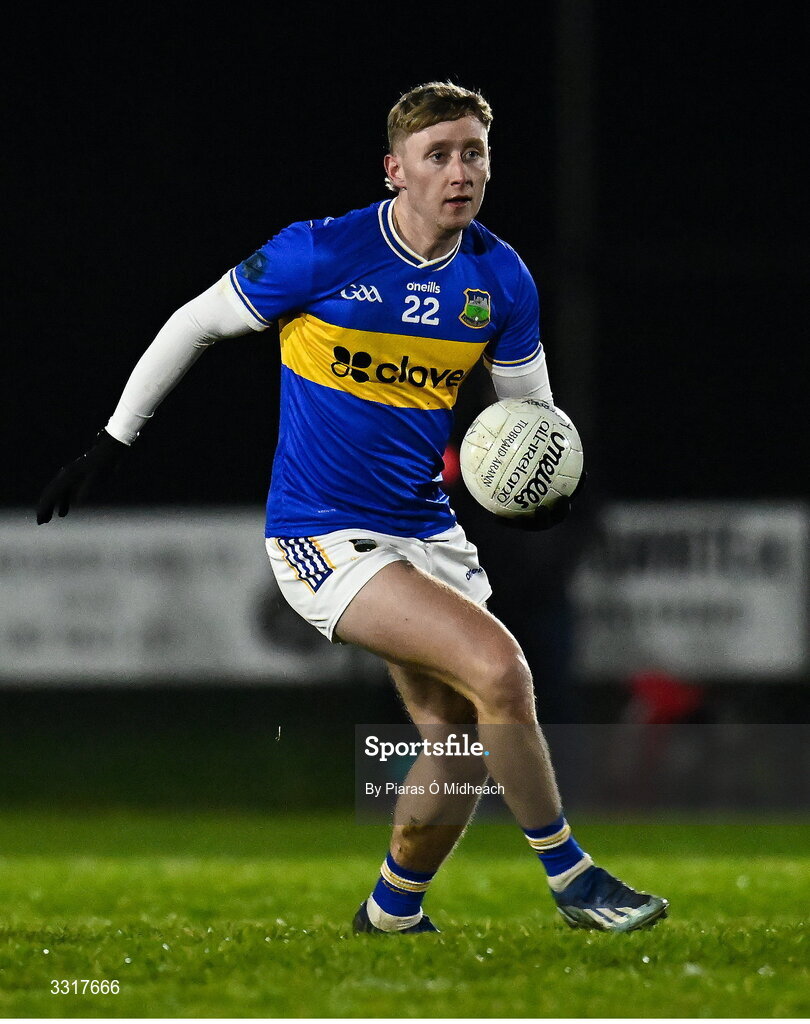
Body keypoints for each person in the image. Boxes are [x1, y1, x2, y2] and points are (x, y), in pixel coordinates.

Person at [37, 81, 668, 934]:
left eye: (474, 152)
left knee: (454, 740)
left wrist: (540, 496)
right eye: (437, 154)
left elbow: (529, 425)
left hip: (426, 529)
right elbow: (194, 322)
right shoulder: (320, 253)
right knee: (502, 673)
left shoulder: (500, 276)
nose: (459, 170)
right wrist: (113, 440)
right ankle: (574, 880)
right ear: (393, 170)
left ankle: (391, 915)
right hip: (323, 532)